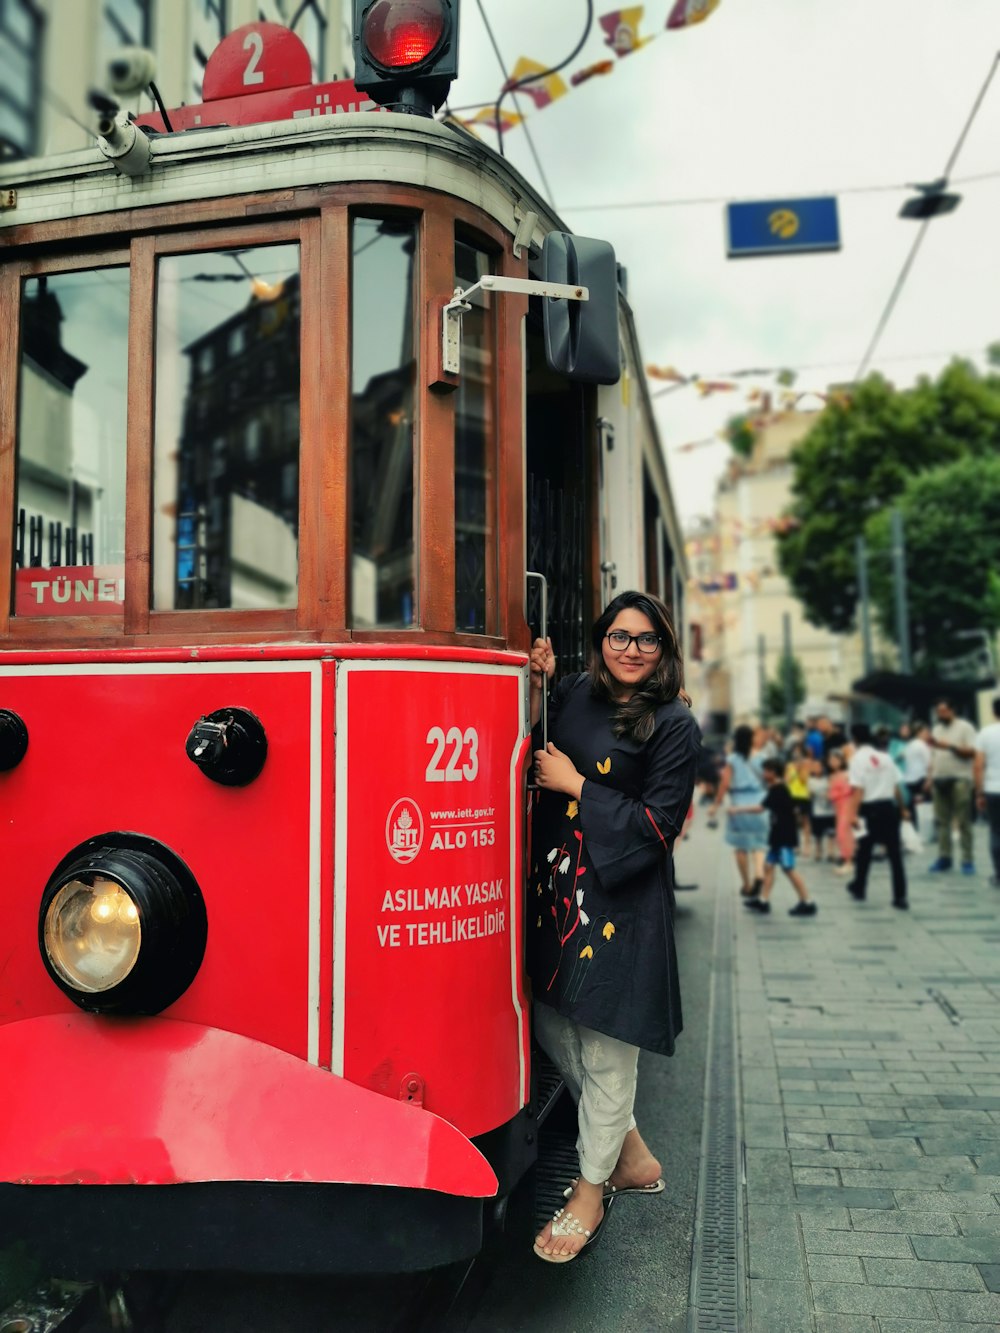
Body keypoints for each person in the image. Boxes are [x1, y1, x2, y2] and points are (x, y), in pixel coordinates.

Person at [527, 590, 699, 1263]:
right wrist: (533, 679)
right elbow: (528, 737)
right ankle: (627, 1150)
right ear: (600, 641)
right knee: (549, 1016)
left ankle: (591, 1187)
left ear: (663, 648)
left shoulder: (674, 723)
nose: (631, 649)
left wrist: (575, 786)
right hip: (559, 889)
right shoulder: (572, 692)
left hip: (621, 902)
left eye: (646, 639)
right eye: (619, 636)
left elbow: (658, 825)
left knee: (608, 1046)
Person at [728, 758, 818, 916]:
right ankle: (763, 901)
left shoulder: (779, 789)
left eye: (766, 771)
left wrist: (737, 809)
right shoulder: (777, 788)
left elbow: (760, 808)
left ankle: (807, 902)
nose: (763, 774)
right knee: (768, 867)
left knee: (789, 869)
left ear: (773, 772)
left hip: (785, 837)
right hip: (778, 836)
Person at [845, 723, 909, 909]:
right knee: (895, 854)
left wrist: (852, 814)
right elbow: (896, 785)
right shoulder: (886, 757)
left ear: (854, 740)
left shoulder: (857, 759)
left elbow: (858, 789)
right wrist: (903, 808)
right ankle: (900, 896)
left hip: (868, 808)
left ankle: (859, 886)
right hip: (888, 807)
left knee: (864, 850)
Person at [707, 725, 768, 897]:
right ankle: (759, 874)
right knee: (759, 845)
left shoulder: (733, 759)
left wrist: (715, 805)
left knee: (741, 848)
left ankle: (747, 885)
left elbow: (725, 784)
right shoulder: (762, 757)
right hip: (760, 802)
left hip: (739, 804)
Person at [927, 698, 978, 874]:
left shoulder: (965, 727)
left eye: (943, 711)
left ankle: (967, 859)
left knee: (963, 821)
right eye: (938, 712)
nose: (940, 715)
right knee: (941, 822)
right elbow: (933, 755)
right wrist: (930, 777)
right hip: (939, 778)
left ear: (952, 711)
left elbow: (972, 752)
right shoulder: (936, 729)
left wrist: (949, 746)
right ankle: (944, 857)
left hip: (960, 778)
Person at [974, 698, 1000, 888]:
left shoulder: (985, 733)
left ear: (993, 712)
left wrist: (979, 793)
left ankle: (999, 874)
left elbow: (978, 766)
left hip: (993, 789)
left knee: (996, 832)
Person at [826, 749, 855, 875]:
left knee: (844, 833)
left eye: (836, 759)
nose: (832, 762)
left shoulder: (847, 775)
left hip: (846, 806)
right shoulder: (832, 776)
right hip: (837, 807)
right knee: (840, 834)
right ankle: (846, 860)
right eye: (831, 760)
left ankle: (849, 861)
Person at [901, 721, 931, 833]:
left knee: (914, 806)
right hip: (921, 778)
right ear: (919, 733)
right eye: (926, 732)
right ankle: (925, 830)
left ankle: (915, 829)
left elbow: (903, 757)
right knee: (924, 805)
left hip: (909, 780)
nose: (928, 734)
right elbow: (929, 764)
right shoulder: (922, 745)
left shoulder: (909, 745)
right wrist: (929, 780)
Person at [807, 756, 836, 862]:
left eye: (818, 766)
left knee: (831, 832)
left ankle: (831, 851)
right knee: (817, 833)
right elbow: (810, 793)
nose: (816, 768)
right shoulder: (810, 780)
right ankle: (818, 851)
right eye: (814, 767)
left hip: (829, 809)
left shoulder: (828, 778)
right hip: (817, 809)